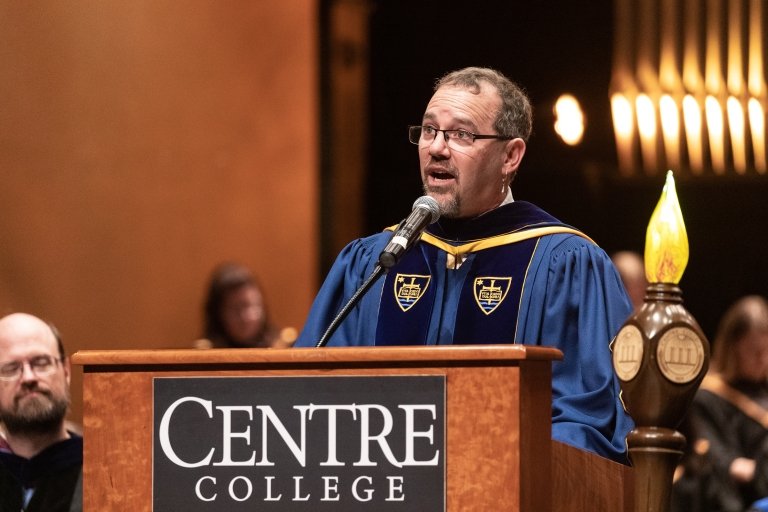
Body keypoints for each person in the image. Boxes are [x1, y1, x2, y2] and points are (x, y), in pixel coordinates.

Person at [294, 66, 634, 463]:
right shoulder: (374, 262)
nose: (437, 148)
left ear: (510, 155)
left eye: (462, 135)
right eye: (428, 130)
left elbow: (587, 420)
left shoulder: (566, 264)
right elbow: (310, 396)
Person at [686, 295, 768, 511]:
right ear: (733, 347)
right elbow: (724, 464)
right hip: (744, 500)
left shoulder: (764, 392)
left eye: (767, 350)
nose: (763, 359)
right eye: (755, 351)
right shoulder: (708, 396)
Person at [0, 313, 82, 512]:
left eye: (41, 363)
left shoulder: (106, 475)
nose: (28, 377)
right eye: (11, 368)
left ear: (66, 371)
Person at [195, 262, 295, 349]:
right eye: (235, 308)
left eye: (251, 306)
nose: (245, 317)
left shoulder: (281, 348)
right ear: (217, 313)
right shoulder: (205, 353)